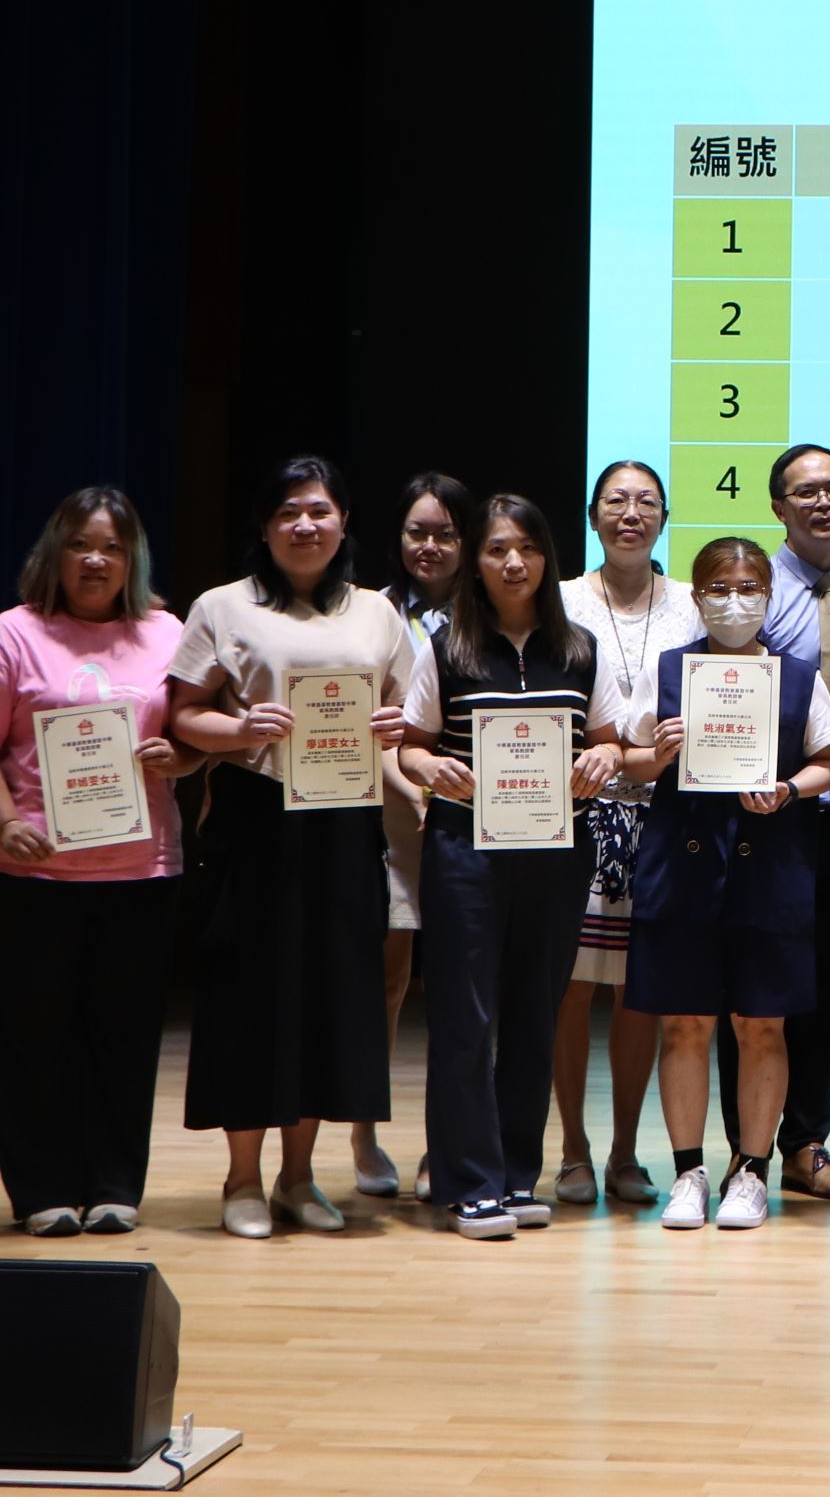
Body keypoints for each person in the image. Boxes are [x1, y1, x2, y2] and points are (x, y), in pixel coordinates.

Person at [166, 457, 417, 1239]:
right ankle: (242, 1179)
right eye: (288, 512)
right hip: (254, 817)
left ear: (343, 522)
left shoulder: (376, 611)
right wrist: (240, 728)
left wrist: (394, 727)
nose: (305, 525)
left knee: (329, 998)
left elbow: (403, 713)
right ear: (266, 526)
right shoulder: (222, 605)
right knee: (249, 996)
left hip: (344, 820)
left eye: (319, 510)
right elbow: (184, 716)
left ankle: (298, 1178)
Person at [0, 486, 196, 1235]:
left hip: (140, 872)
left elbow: (191, 733)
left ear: (133, 560)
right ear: (55, 554)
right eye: (81, 545)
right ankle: (42, 1190)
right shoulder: (11, 634)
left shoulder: (166, 632)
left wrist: (180, 756)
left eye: (113, 548)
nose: (96, 560)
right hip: (33, 872)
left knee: (124, 1036)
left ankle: (114, 1184)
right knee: (32, 1038)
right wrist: (5, 823)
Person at [397, 492, 618, 1240]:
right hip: (466, 850)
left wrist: (603, 757)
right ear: (476, 561)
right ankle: (468, 1182)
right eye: (497, 549)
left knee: (534, 1013)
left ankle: (517, 1173)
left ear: (548, 558)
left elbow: (610, 739)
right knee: (465, 1015)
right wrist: (432, 769)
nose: (513, 562)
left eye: (527, 548)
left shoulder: (580, 647)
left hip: (559, 850)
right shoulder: (447, 647)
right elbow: (412, 746)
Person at [612, 537, 830, 1229]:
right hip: (683, 863)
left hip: (769, 861)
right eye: (719, 588)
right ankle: (689, 1173)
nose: (734, 601)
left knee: (761, 1023)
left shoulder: (796, 675)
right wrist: (656, 755)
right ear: (697, 597)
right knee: (684, 1022)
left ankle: (751, 1173)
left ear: (769, 597)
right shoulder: (669, 670)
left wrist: (789, 789)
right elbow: (625, 754)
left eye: (749, 589)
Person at [552, 460, 699, 1208]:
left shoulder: (694, 604)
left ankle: (624, 1153)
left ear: (665, 518)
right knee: (572, 989)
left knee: (642, 992)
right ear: (593, 515)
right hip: (576, 814)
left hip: (669, 820)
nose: (631, 513)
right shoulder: (560, 600)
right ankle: (573, 1151)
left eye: (646, 501)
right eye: (616, 500)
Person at [738, 443, 830, 1202]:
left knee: (824, 986)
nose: (823, 502)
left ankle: (806, 1143)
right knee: (756, 987)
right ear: (778, 507)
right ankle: (746, 1149)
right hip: (767, 813)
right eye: (806, 492)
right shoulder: (753, 593)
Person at [355, 472, 472, 1203]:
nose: (429, 546)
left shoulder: (489, 610)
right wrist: (416, 794)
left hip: (475, 814)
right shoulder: (372, 613)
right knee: (390, 981)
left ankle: (444, 1145)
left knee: (461, 987)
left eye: (445, 534)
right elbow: (369, 728)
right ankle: (365, 1134)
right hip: (397, 814)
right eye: (416, 532)